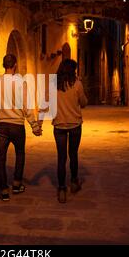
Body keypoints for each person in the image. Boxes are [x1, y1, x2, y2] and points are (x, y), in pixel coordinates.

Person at [0, 54, 42, 201]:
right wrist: (34, 126)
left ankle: (4, 191)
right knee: (20, 154)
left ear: (4, 65)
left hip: (1, 126)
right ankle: (16, 184)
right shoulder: (20, 82)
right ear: (15, 65)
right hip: (17, 125)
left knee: (0, 158)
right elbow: (27, 106)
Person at [52, 59, 88, 203]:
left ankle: (61, 188)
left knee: (61, 158)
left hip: (59, 125)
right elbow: (84, 103)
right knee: (73, 154)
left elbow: (46, 102)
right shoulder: (77, 84)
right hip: (74, 125)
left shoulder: (53, 84)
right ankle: (73, 182)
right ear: (72, 70)